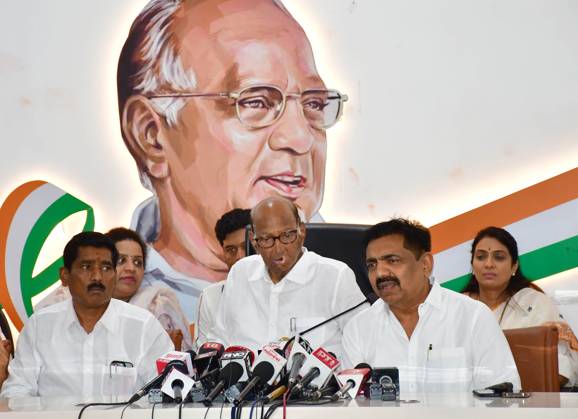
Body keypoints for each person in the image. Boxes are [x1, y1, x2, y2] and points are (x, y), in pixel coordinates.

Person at [117, 0, 348, 321]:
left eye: (313, 103)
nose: (300, 137)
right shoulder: (116, 293)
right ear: (151, 134)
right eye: (255, 102)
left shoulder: (353, 280)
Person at [342, 219, 520, 395]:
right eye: (372, 265)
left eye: (392, 260)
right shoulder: (358, 329)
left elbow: (503, 398)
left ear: (425, 264)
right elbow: (352, 405)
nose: (380, 273)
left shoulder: (473, 317)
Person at [0, 232, 173, 397]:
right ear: (65, 276)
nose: (97, 277)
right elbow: (17, 390)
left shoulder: (143, 326)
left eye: (106, 267)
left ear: (114, 275)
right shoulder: (40, 326)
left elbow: (168, 391)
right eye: (86, 267)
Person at [208, 196, 366, 357]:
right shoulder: (240, 273)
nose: (278, 250)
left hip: (314, 381)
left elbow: (364, 342)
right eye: (267, 239)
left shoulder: (335, 276)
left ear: (301, 231)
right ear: (253, 241)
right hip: (244, 380)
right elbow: (221, 337)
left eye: (287, 236)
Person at [35, 228, 193, 351]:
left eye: (138, 262)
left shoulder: (157, 305)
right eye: (121, 260)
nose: (131, 268)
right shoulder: (60, 303)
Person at [463, 226, 578, 387]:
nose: (488, 264)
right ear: (473, 265)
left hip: (525, 404)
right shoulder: (458, 308)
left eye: (499, 257)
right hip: (465, 406)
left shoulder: (537, 304)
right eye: (481, 257)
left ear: (514, 266)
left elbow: (563, 368)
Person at [196, 209, 251, 347]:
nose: (239, 257)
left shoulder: (279, 289)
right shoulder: (211, 296)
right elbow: (203, 354)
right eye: (231, 250)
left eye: (245, 247)